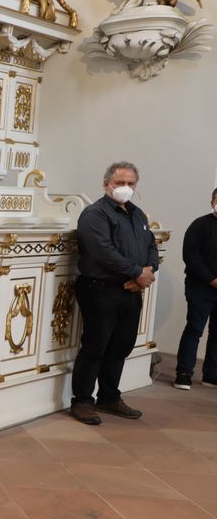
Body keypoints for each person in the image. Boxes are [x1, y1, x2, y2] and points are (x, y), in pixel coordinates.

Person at [70, 162, 158, 424]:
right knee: (95, 346)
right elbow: (102, 251)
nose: (126, 188)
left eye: (131, 183)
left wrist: (148, 271)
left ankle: (109, 397)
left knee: (121, 346)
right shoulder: (94, 214)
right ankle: (82, 401)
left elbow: (151, 246)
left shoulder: (138, 215)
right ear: (107, 183)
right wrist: (137, 272)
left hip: (130, 290)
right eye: (120, 183)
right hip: (100, 288)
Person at [173, 187, 217, 389]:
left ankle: (211, 374)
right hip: (200, 287)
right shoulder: (200, 225)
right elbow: (191, 258)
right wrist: (212, 280)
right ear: (212, 202)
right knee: (194, 329)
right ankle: (183, 373)